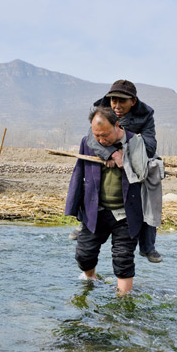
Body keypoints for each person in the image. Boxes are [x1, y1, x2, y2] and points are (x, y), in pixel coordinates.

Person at [70, 79, 162, 263]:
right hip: (104, 155)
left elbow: (150, 146)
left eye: (122, 101)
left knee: (150, 194)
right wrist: (111, 153)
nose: (117, 106)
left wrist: (126, 150)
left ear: (133, 102)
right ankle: (85, 224)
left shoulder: (145, 115)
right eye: (114, 101)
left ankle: (148, 246)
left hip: (135, 158)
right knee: (90, 186)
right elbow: (92, 137)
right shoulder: (102, 110)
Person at [65, 107, 144, 294]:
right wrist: (73, 206)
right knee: (84, 255)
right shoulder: (88, 142)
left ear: (116, 125)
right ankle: (91, 279)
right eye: (97, 135)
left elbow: (145, 174)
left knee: (123, 258)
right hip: (96, 210)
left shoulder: (135, 142)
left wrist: (125, 161)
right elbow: (79, 173)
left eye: (105, 135)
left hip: (125, 213)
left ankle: (123, 299)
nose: (101, 140)